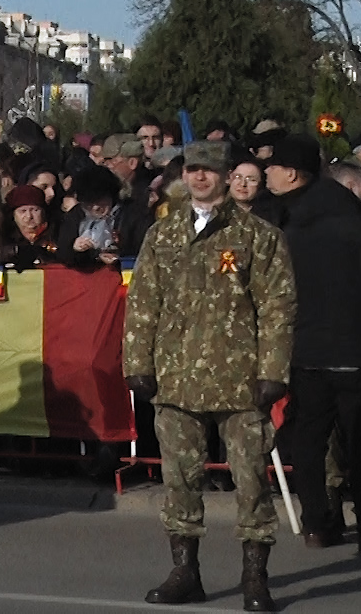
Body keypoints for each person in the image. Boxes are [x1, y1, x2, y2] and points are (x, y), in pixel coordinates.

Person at [123, 141, 295, 611]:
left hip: (240, 379)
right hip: (176, 379)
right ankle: (185, 571)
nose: (200, 178)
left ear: (226, 176)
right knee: (180, 482)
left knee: (252, 484)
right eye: (193, 170)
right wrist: (137, 363)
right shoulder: (163, 236)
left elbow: (278, 306)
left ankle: (255, 578)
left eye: (209, 170)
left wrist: (274, 370)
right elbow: (143, 304)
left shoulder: (258, 236)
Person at [262, 134, 361, 552]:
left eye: (270, 166)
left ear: (291, 173)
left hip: (307, 351)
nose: (265, 172)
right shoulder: (351, 215)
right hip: (355, 350)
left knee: (308, 441)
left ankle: (318, 523)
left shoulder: (288, 223)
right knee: (357, 441)